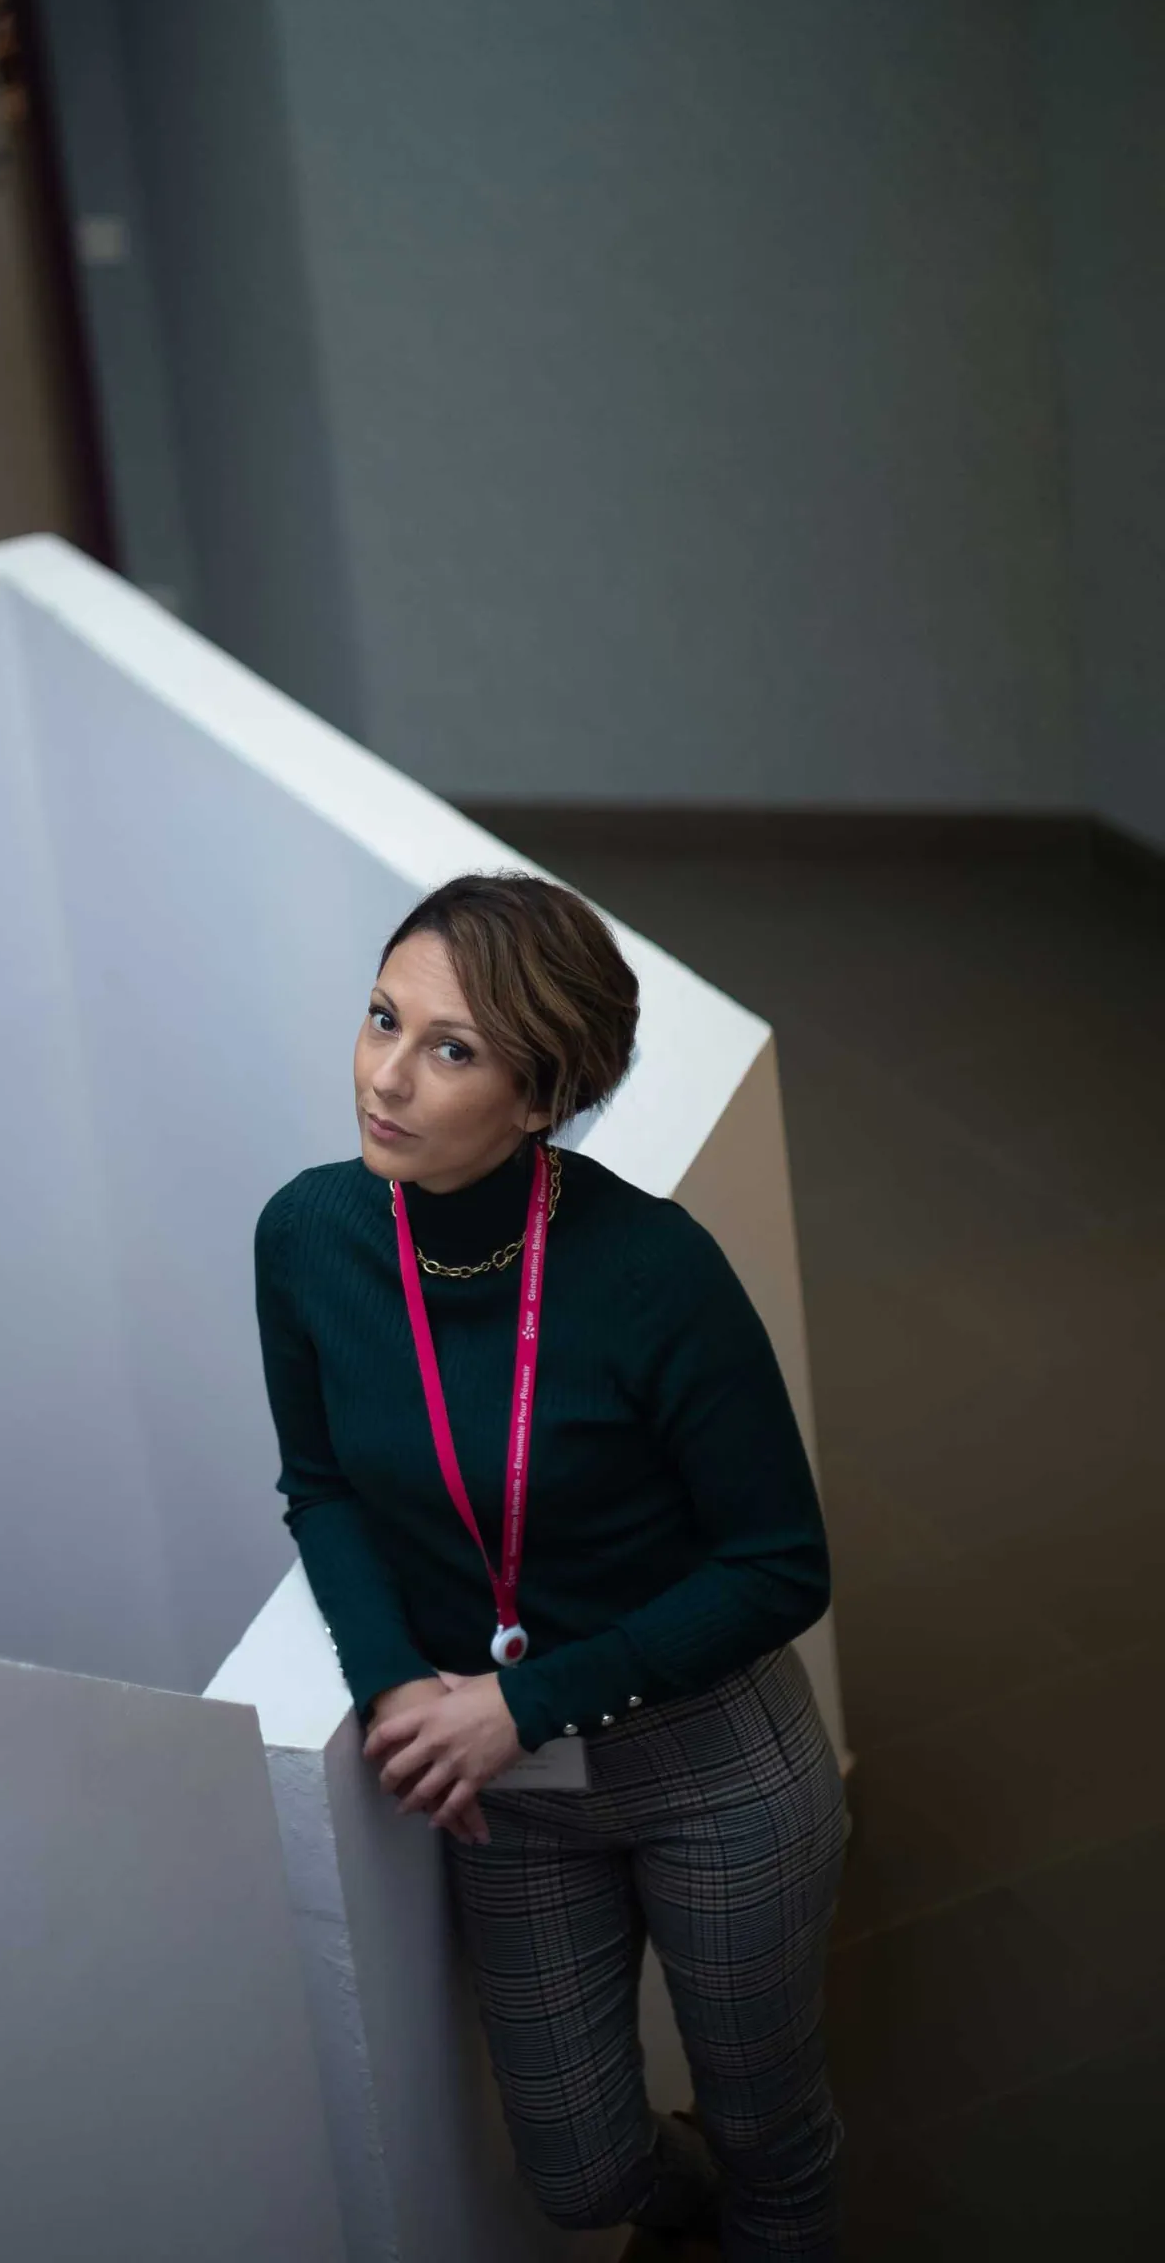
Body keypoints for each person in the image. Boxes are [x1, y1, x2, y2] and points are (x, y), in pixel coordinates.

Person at [254, 872, 845, 2260]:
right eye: (382, 1018)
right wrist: (395, 1680)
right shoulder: (307, 1236)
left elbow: (780, 1565)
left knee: (772, 2137)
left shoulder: (654, 1271)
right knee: (581, 2178)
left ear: (539, 1097)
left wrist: (518, 1700)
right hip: (508, 1795)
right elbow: (321, 1484)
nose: (385, 1077)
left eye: (450, 1048)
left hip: (713, 1768)